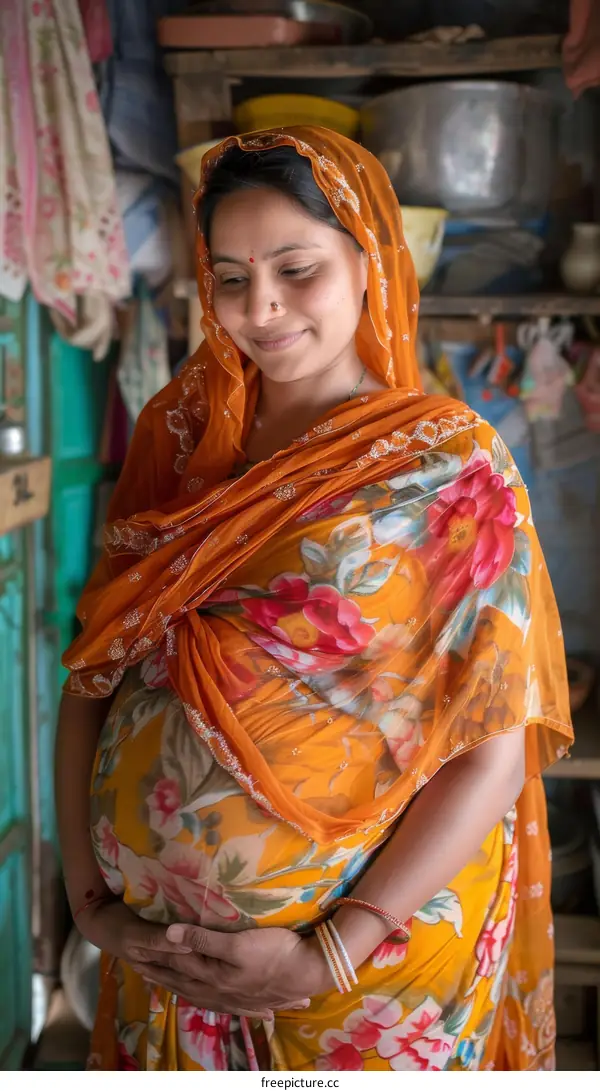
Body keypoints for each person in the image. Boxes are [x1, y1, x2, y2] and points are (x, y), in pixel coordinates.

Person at [56, 126, 572, 1072]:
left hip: (366, 981)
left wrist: (324, 954)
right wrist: (92, 908)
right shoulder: (178, 442)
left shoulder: (445, 464)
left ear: (370, 262)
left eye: (298, 269)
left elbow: (493, 755)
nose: (262, 307)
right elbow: (91, 677)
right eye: (232, 276)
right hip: (162, 972)